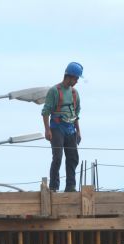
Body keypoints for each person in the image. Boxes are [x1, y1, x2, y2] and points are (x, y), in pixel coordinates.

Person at [42, 62, 83, 192]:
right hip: (57, 127)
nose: (76, 81)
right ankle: (54, 186)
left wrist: (78, 131)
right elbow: (46, 112)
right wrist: (47, 130)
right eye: (76, 78)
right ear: (69, 76)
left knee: (72, 157)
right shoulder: (54, 91)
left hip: (70, 128)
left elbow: (76, 114)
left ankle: (70, 186)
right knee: (58, 157)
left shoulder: (75, 93)